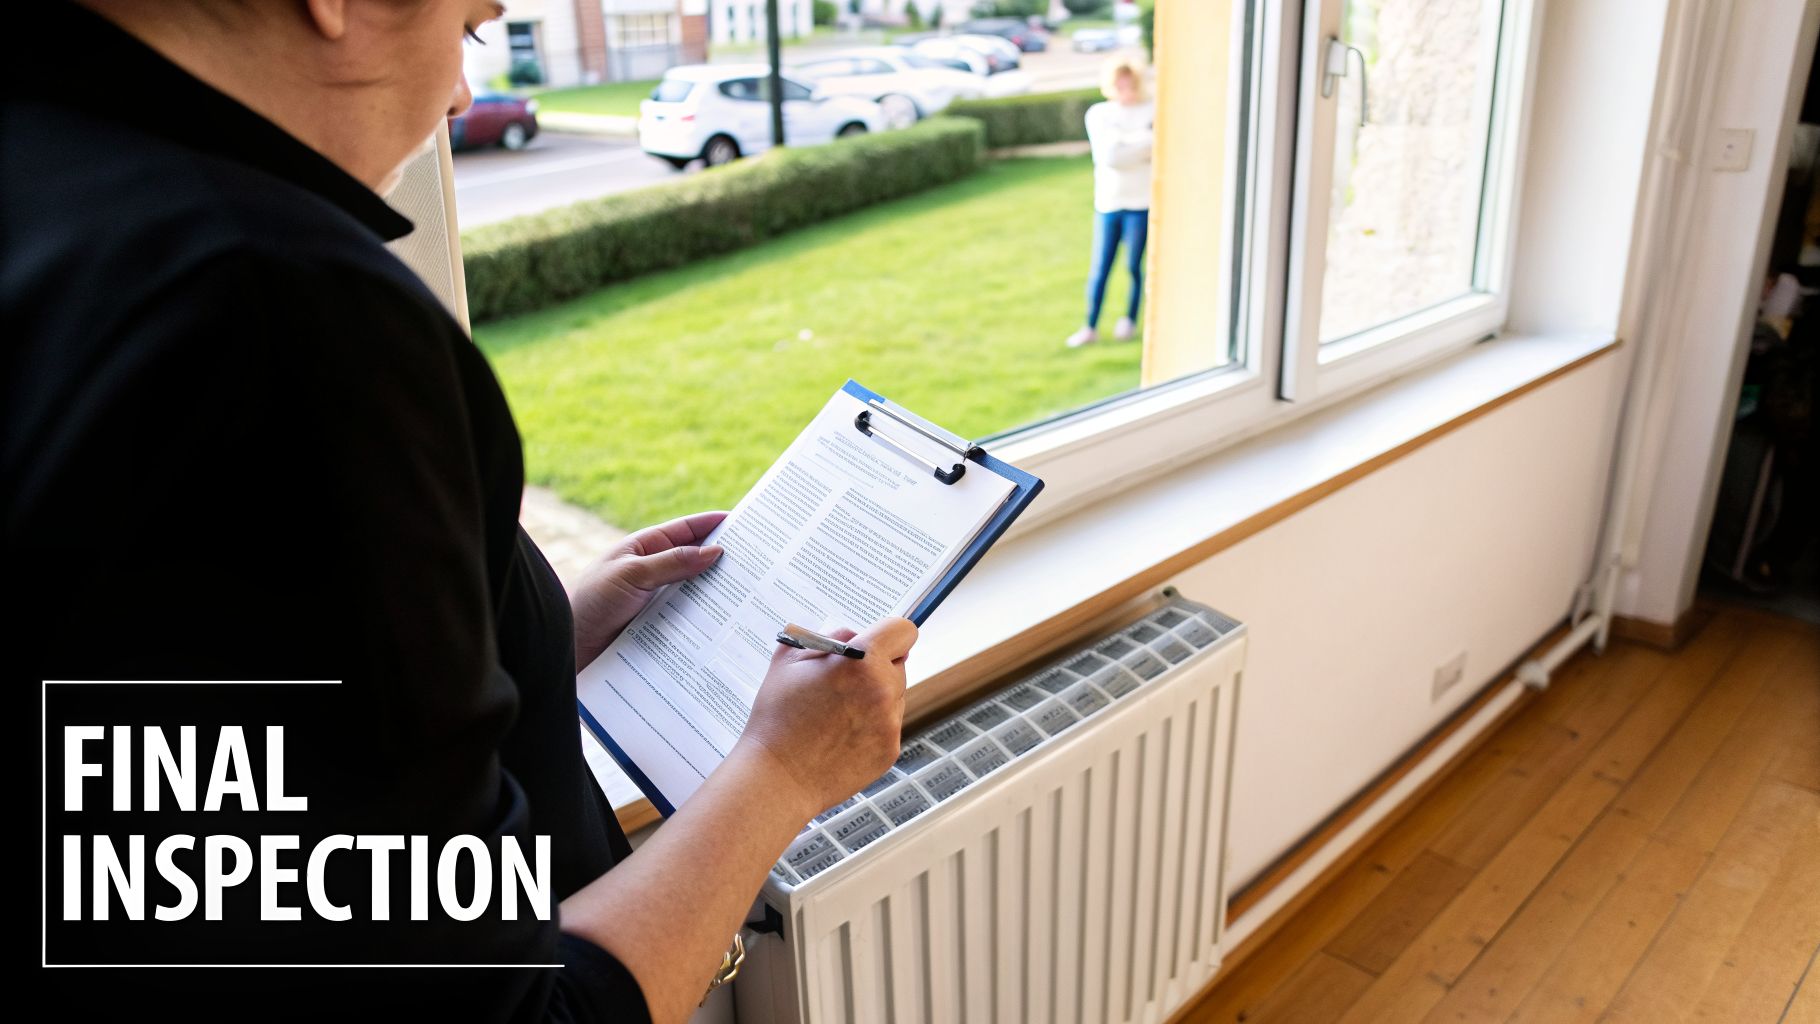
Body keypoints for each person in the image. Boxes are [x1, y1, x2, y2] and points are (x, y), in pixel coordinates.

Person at [4, 3, 913, 1021]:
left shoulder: (53, 186)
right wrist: (783, 770)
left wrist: (531, 632)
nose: (460, 94)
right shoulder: (279, 321)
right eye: (472, 28)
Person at [1067, 55, 1156, 349]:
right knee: (1100, 268)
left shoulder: (1152, 109)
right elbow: (1110, 157)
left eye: (1129, 83)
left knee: (1134, 265)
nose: (1125, 89)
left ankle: (1129, 319)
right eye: (1119, 83)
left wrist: (1127, 143)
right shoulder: (1100, 114)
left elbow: (1152, 147)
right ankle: (1090, 325)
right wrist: (1144, 141)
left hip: (1141, 203)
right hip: (1109, 202)